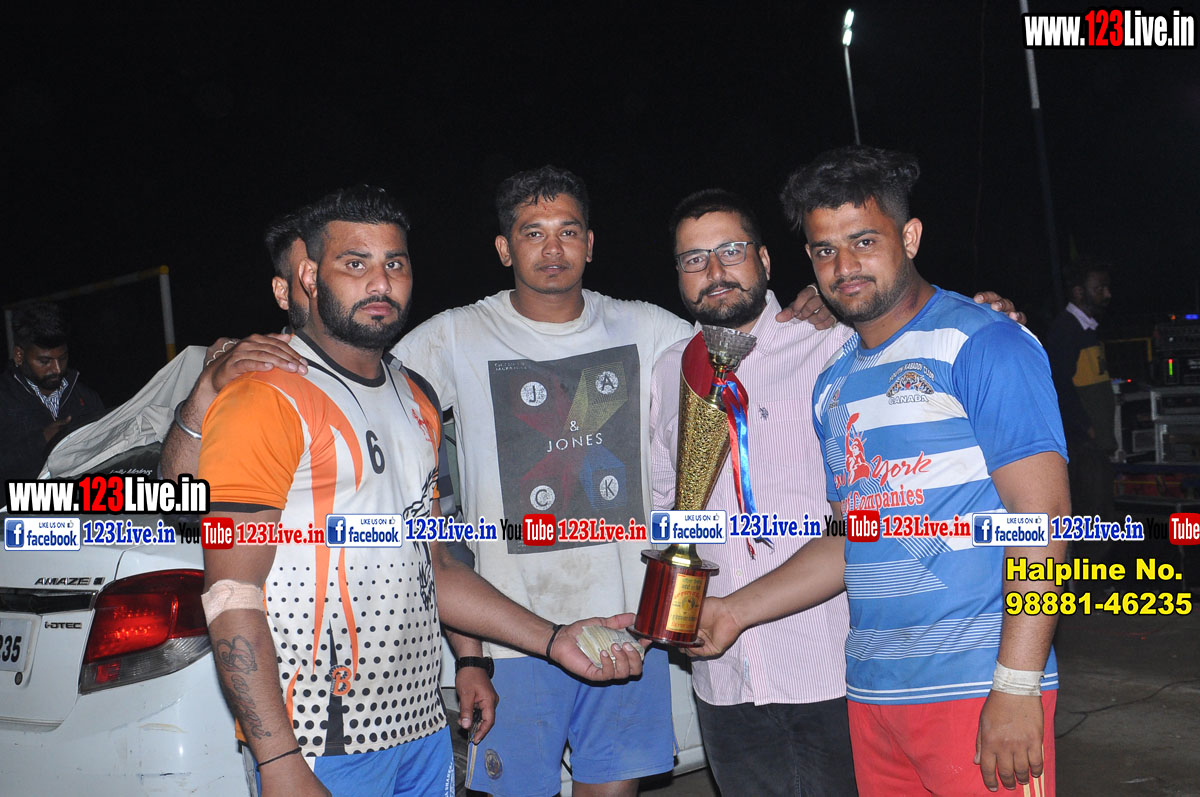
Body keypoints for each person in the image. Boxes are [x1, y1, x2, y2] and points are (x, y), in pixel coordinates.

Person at [691, 146, 1070, 796]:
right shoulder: (833, 384)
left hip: (977, 688)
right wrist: (732, 611)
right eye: (825, 250)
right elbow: (850, 541)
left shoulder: (984, 342)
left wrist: (1016, 683)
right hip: (872, 697)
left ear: (910, 237)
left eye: (864, 241)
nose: (844, 267)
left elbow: (1045, 521)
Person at [160, 200, 501, 749]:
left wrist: (470, 657)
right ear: (293, 284)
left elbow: (432, 550)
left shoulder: (409, 390)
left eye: (386, 264)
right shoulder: (256, 387)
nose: (370, 283)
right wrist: (204, 395)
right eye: (347, 265)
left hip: (415, 719)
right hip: (320, 724)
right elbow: (181, 513)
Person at [649, 189, 857, 795]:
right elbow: (666, 508)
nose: (714, 272)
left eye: (731, 251)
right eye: (694, 259)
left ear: (764, 259)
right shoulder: (670, 369)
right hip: (721, 676)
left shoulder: (832, 342)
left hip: (826, 662)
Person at [0, 302, 104, 490]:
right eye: (45, 361)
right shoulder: (5, 399)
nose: (56, 369)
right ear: (19, 355)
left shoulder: (86, 398)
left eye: (62, 358)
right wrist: (42, 440)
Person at [1044, 258, 1115, 525]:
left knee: (1099, 516)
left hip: (1093, 444)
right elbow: (1058, 386)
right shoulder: (1066, 330)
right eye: (1099, 288)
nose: (1107, 294)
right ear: (1078, 292)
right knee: (1091, 519)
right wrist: (1085, 427)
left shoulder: (1087, 330)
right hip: (1081, 446)